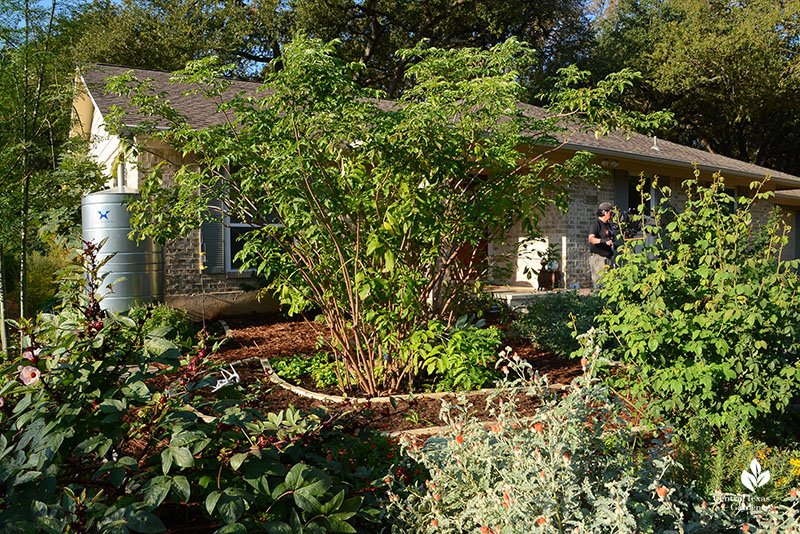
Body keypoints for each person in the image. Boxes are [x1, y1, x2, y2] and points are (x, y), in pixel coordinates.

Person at [588, 201, 615, 288]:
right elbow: (591, 239)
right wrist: (603, 241)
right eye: (610, 212)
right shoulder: (596, 224)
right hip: (599, 259)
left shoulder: (608, 225)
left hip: (608, 258)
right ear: (604, 212)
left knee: (609, 286)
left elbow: (610, 241)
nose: (611, 215)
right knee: (600, 286)